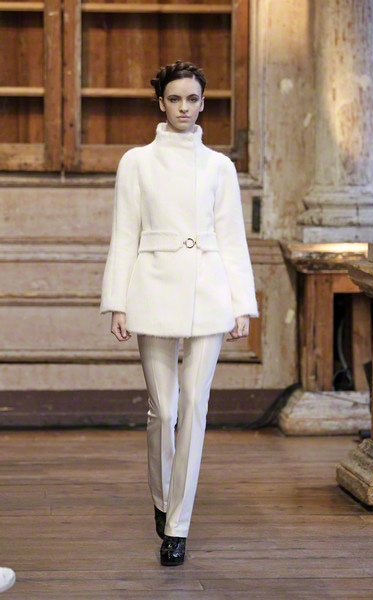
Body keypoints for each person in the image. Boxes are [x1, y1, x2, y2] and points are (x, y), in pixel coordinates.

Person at [100, 60, 259, 566]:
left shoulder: (219, 167)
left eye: (192, 99)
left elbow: (232, 238)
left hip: (209, 292)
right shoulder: (136, 162)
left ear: (203, 103)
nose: (184, 108)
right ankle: (163, 498)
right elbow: (124, 234)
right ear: (161, 103)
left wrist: (242, 304)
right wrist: (117, 302)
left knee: (194, 405)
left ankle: (178, 527)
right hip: (151, 290)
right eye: (175, 99)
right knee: (163, 410)